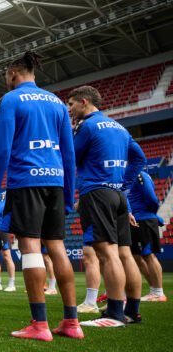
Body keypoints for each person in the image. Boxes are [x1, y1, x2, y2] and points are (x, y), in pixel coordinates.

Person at [0, 51, 81, 341]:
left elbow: (1, 152)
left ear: (13, 73)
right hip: (56, 181)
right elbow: (69, 154)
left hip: (26, 181)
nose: (6, 80)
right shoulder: (58, 103)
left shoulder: (10, 100)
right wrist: (68, 193)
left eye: (5, 75)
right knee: (58, 247)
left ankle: (39, 324)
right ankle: (71, 322)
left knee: (30, 247)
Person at [67, 85, 146, 328]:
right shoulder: (119, 127)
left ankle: (114, 314)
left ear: (83, 102)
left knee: (108, 253)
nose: (69, 109)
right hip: (118, 195)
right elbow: (139, 159)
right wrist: (123, 185)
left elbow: (71, 158)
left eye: (71, 104)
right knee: (124, 253)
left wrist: (70, 134)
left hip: (97, 193)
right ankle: (131, 311)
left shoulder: (87, 126)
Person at [127, 171, 167, 302]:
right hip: (135, 220)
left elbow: (151, 198)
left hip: (144, 219)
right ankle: (153, 290)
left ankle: (158, 292)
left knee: (148, 255)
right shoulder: (128, 176)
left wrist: (152, 215)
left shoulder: (139, 175)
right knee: (137, 257)